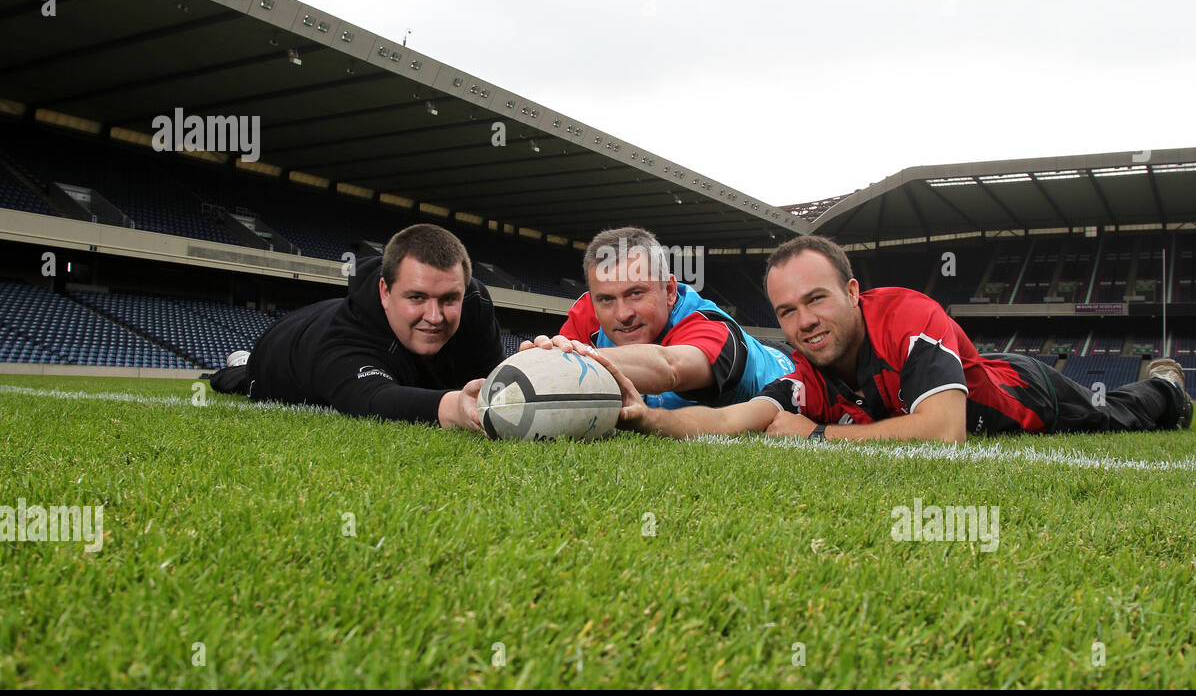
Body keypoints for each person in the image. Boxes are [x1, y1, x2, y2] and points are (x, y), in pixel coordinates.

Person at [593, 234, 1193, 441]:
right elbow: (730, 423)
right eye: (788, 311)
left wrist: (822, 436)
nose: (804, 322)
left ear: (854, 292)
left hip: (1024, 395)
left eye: (817, 299)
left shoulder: (907, 316)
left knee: (1118, 414)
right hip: (976, 371)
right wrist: (643, 416)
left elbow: (943, 433)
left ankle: (1166, 387)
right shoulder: (806, 373)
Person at [208, 223, 503, 429]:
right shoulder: (346, 334)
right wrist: (454, 409)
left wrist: (542, 363)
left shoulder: (474, 303)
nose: (435, 316)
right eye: (416, 297)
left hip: (371, 346)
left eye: (449, 299)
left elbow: (496, 383)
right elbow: (373, 398)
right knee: (243, 378)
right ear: (385, 291)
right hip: (281, 348)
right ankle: (240, 364)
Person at [520, 226, 795, 409]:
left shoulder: (709, 325)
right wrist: (494, 388)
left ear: (670, 290)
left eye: (636, 293)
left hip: (792, 365)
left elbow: (670, 368)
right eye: (606, 299)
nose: (623, 314)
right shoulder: (589, 312)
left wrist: (561, 362)